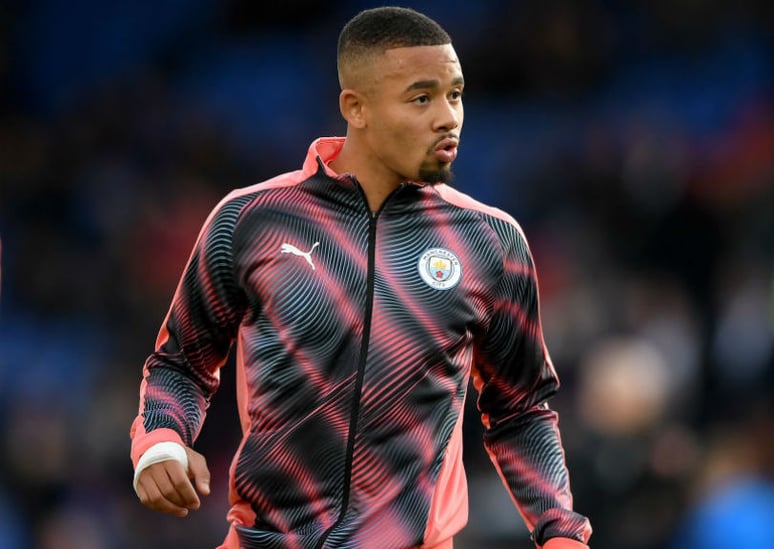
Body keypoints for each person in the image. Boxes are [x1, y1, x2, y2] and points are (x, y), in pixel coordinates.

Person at [130, 6, 592, 549]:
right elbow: (181, 363)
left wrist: (562, 534)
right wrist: (160, 440)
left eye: (456, 94)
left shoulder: (490, 242)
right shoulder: (251, 220)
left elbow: (519, 409)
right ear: (356, 107)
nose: (448, 117)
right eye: (422, 98)